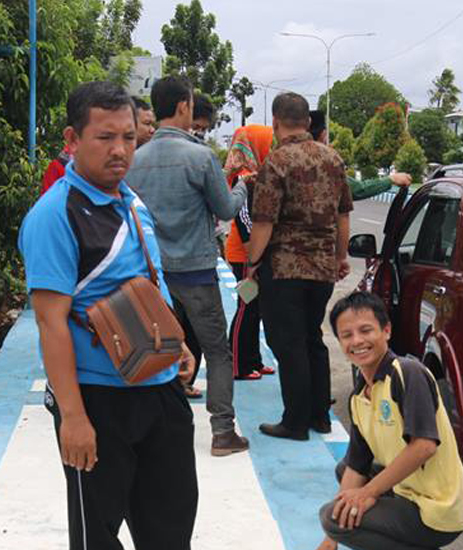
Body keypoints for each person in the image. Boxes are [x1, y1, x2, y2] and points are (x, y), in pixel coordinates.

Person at [18, 81, 198, 550]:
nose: (120, 150)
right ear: (72, 140)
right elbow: (51, 323)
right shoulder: (54, 216)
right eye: (105, 138)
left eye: (128, 138)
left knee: (170, 529)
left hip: (160, 395)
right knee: (97, 536)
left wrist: (174, 346)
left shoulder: (131, 201)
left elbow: (145, 285)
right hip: (99, 400)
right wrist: (73, 418)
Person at [127, 75, 250, 457]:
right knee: (216, 350)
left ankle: (158, 430)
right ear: (184, 106)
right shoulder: (200, 157)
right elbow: (226, 210)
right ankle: (222, 432)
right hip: (196, 271)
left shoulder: (134, 160)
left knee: (157, 350)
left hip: (152, 274)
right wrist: (244, 183)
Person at [316, 291, 463, 550]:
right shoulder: (359, 397)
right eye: (347, 335)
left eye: (366, 330)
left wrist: (367, 494)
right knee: (343, 477)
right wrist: (330, 541)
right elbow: (356, 466)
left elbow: (424, 446)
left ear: (386, 331)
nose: (357, 341)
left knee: (331, 516)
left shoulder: (407, 373)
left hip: (439, 507)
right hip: (408, 492)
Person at [246, 92, 352, 441]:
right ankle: (319, 416)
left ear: (276, 123)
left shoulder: (276, 162)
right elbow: (342, 217)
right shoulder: (333, 159)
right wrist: (340, 257)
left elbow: (263, 222)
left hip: (285, 268)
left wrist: (252, 262)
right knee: (312, 339)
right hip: (322, 269)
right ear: (308, 122)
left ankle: (294, 422)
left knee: (288, 344)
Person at [223, 124, 276, 380]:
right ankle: (238, 365)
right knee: (246, 307)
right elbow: (244, 220)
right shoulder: (244, 176)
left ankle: (253, 360)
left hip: (253, 252)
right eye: (268, 141)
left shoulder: (256, 173)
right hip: (244, 254)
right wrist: (252, 257)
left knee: (255, 308)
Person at [307, 110, 413, 199]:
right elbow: (358, 189)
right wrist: (391, 180)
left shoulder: (291, 155)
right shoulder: (324, 160)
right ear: (323, 134)